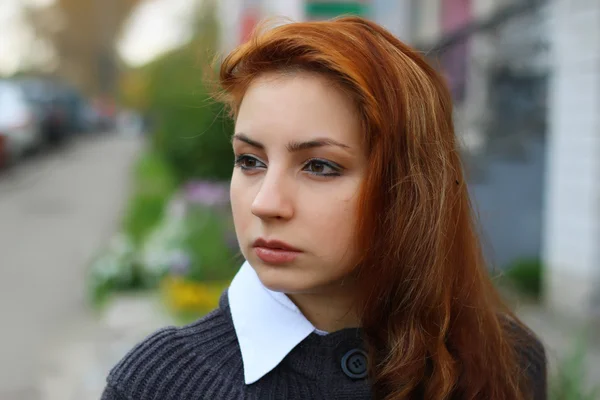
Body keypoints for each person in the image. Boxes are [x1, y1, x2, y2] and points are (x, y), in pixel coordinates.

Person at [101, 16, 546, 400]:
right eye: (250, 161)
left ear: (409, 186)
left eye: (319, 166)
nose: (266, 203)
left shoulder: (506, 359)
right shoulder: (158, 384)